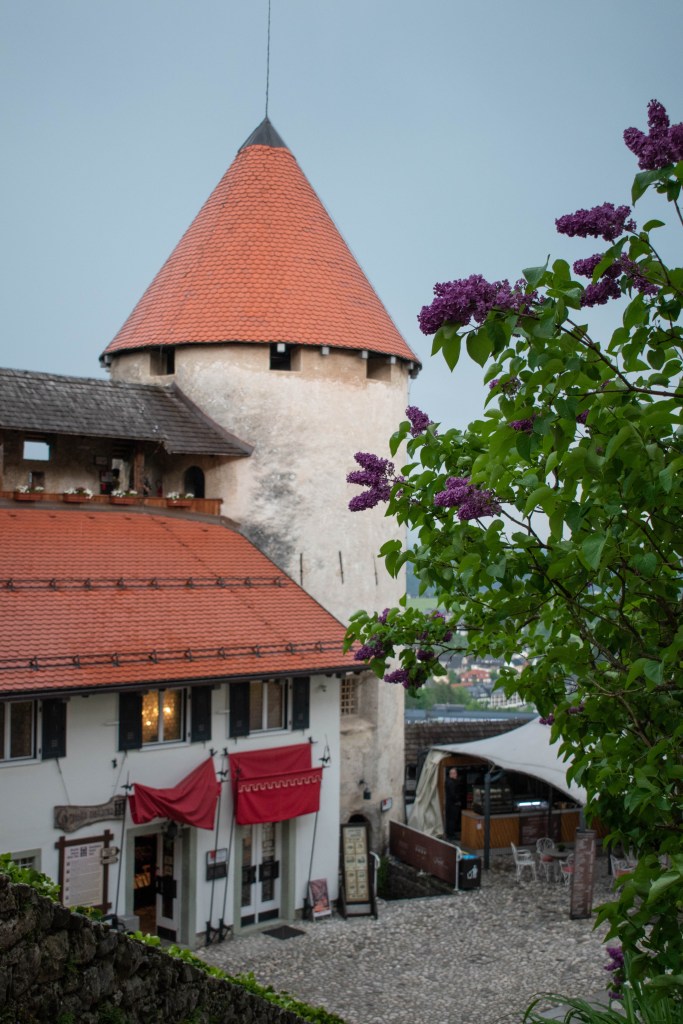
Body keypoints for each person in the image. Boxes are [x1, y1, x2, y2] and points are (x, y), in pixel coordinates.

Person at [444, 766, 462, 840]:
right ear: (452, 774)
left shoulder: (448, 781)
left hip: (449, 804)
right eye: (454, 773)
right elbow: (453, 794)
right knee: (452, 820)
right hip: (452, 804)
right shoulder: (451, 782)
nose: (456, 775)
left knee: (450, 820)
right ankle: (451, 835)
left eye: (456, 773)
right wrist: (458, 800)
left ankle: (450, 834)